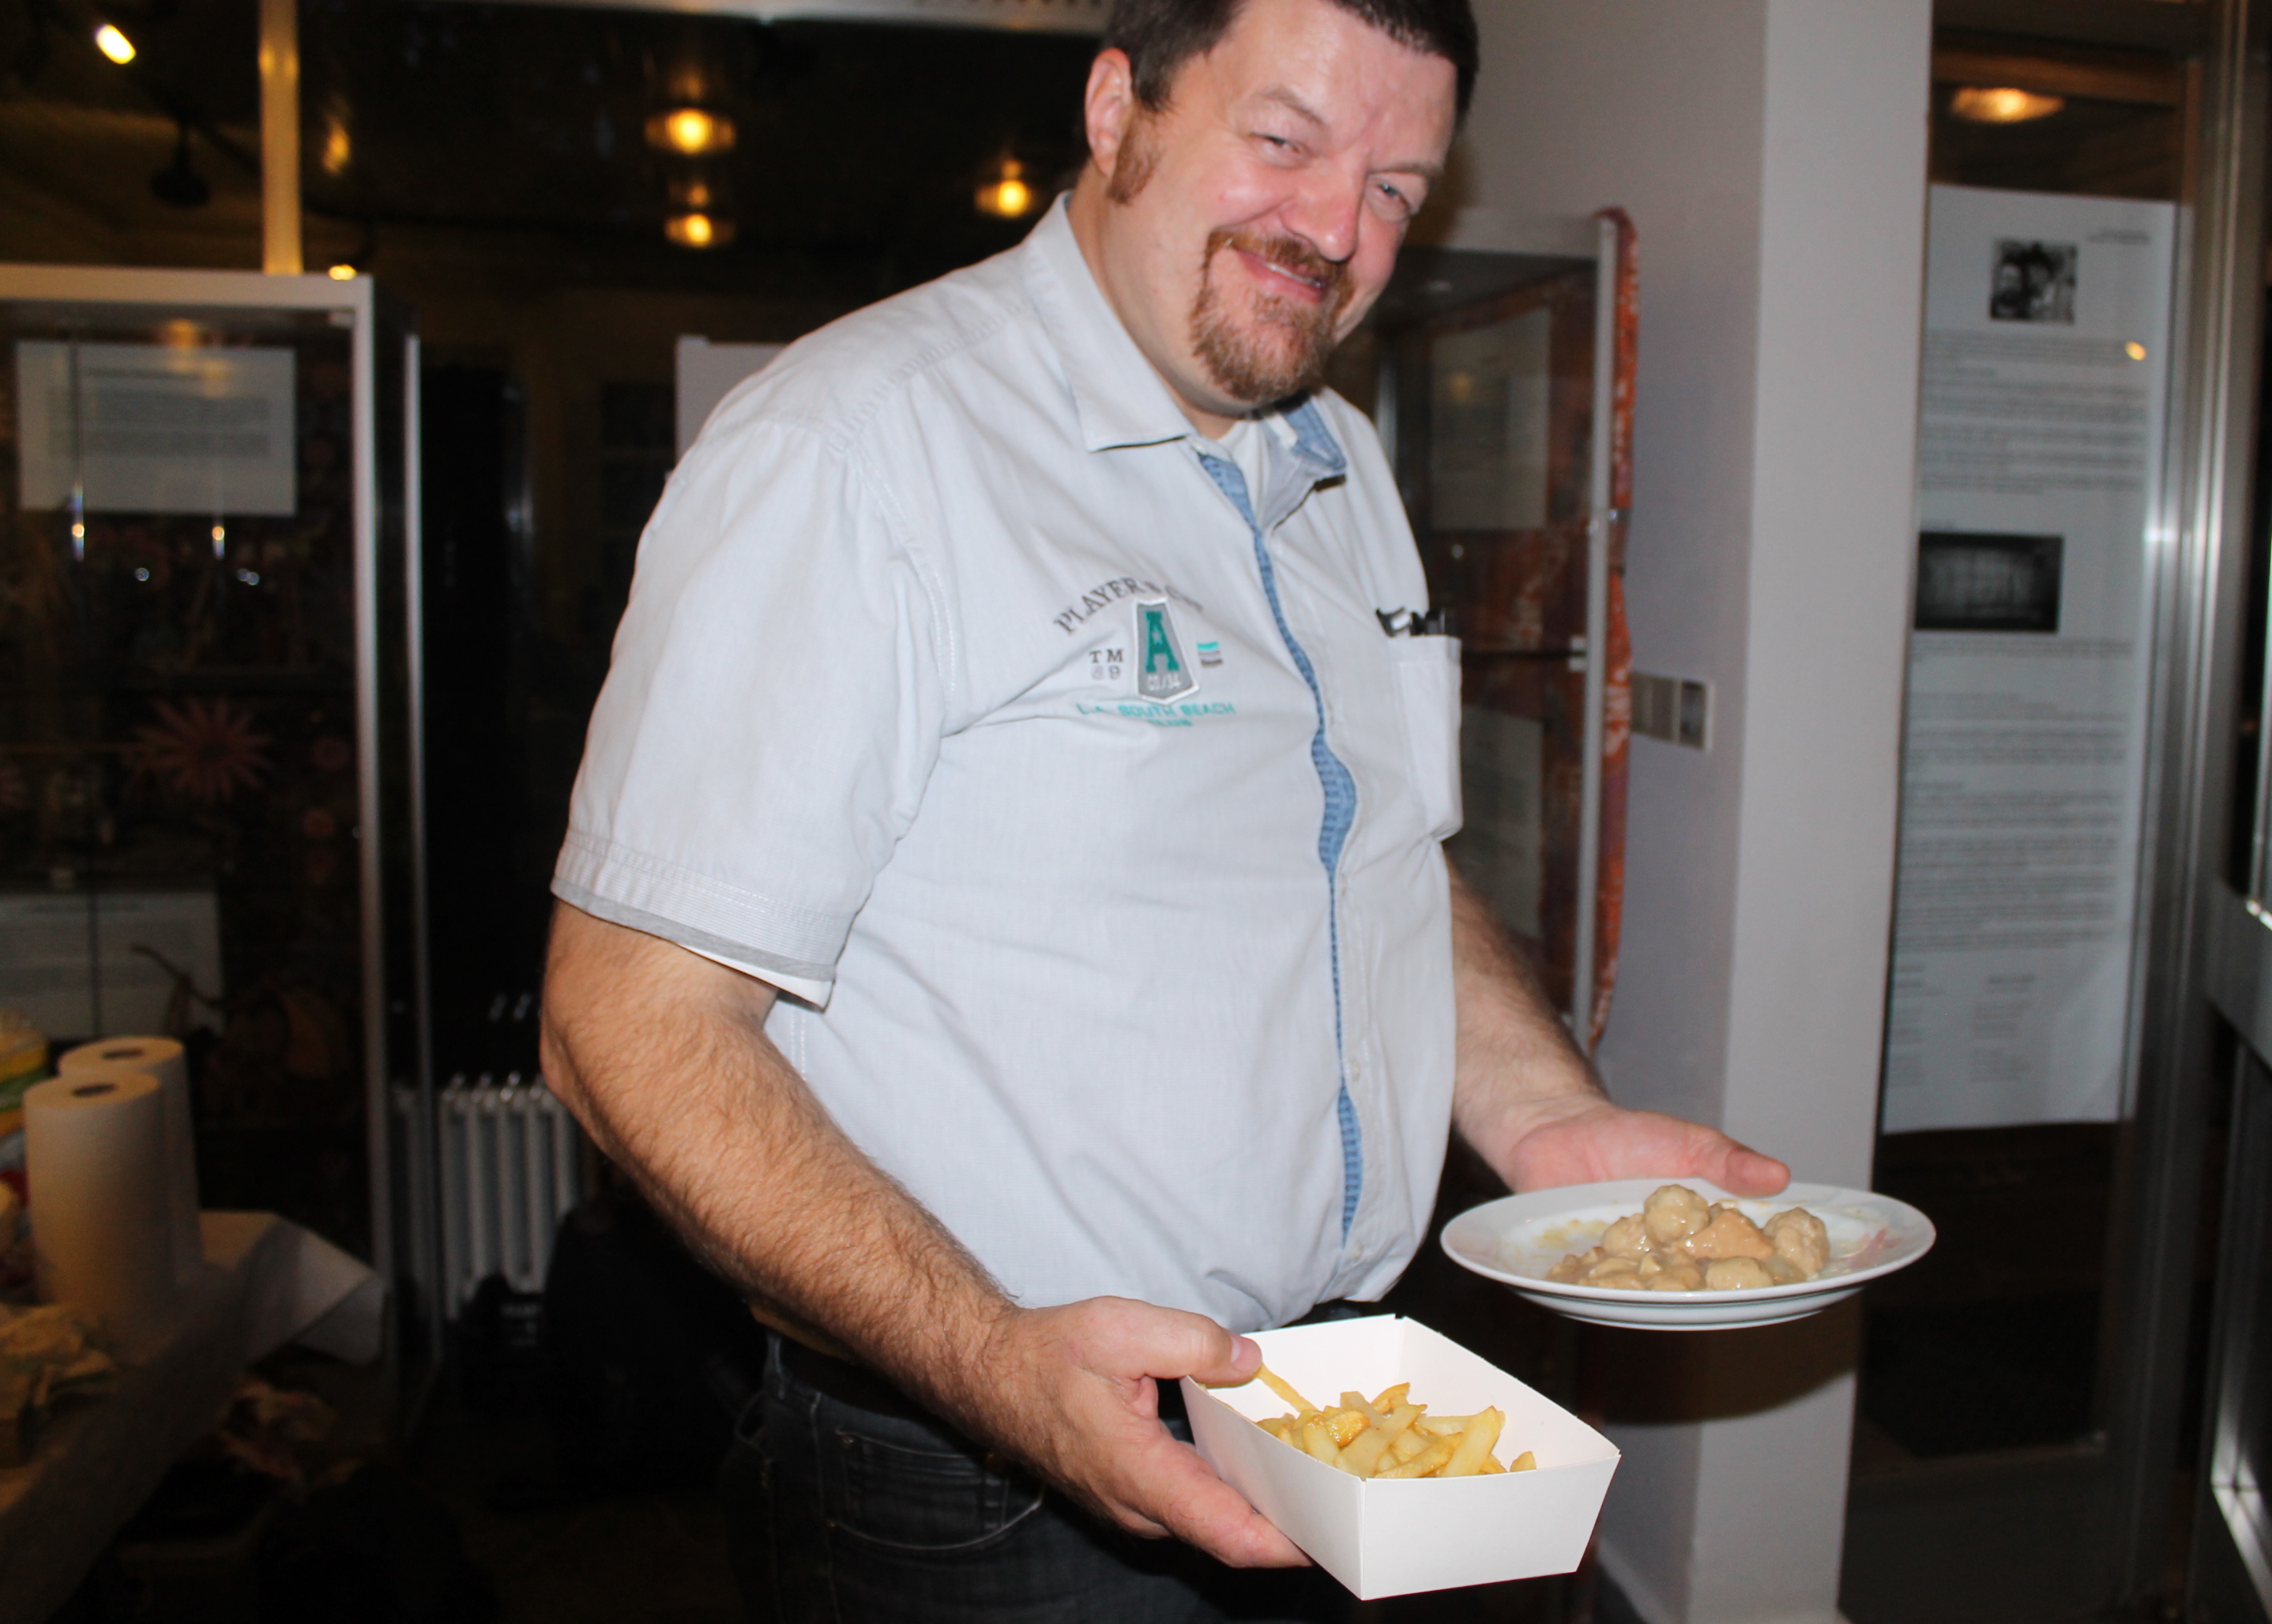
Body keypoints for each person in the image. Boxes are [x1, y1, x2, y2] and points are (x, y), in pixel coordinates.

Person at [538, 0, 1790, 1616]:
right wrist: (994, 1360)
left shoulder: (1339, 460)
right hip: (978, 1476)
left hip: (1324, 1412)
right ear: (1116, 105)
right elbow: (623, 1024)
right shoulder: (854, 445)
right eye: (1282, 141)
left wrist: (1541, 1117)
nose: (1334, 228)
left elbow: (1374, 860)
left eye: (1395, 190)